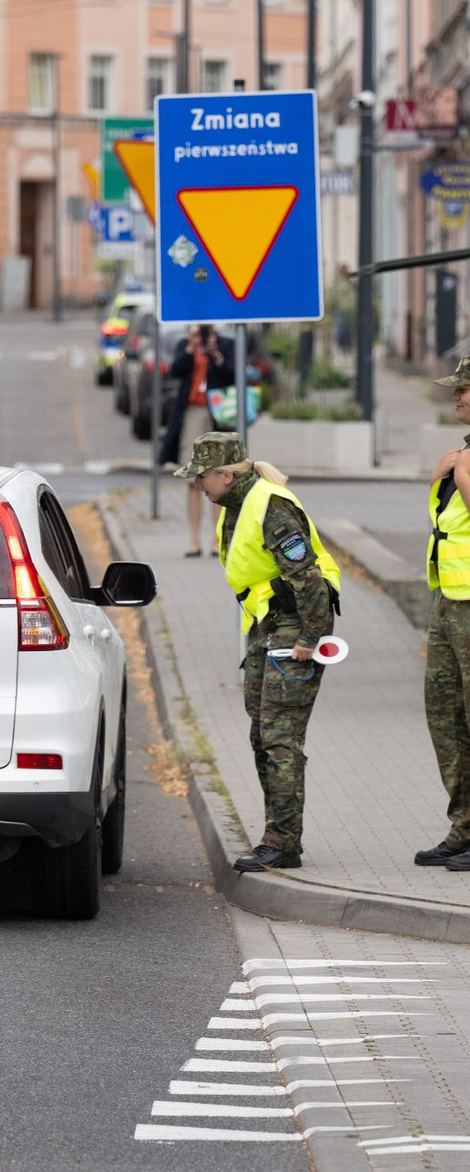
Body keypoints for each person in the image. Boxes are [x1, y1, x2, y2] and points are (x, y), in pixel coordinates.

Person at [174, 432, 341, 872]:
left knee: (280, 737)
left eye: (203, 477)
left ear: (226, 475)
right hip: (267, 628)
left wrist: (310, 640)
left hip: (295, 627)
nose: (198, 486)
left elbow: (307, 579)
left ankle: (283, 842)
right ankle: (276, 832)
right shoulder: (235, 505)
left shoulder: (271, 507)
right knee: (261, 735)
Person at [416, 356, 470, 872]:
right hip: (450, 601)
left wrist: (461, 472)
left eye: (463, 390)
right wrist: (443, 475)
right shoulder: (463, 451)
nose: (455, 397)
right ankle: (464, 827)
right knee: (445, 716)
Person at [159, 325, 236, 557]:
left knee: (218, 481)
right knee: (194, 481)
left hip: (216, 416)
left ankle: (216, 539)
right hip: (192, 414)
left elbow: (233, 375)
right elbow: (175, 371)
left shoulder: (225, 344)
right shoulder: (188, 345)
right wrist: (191, 349)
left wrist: (216, 355)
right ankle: (194, 540)